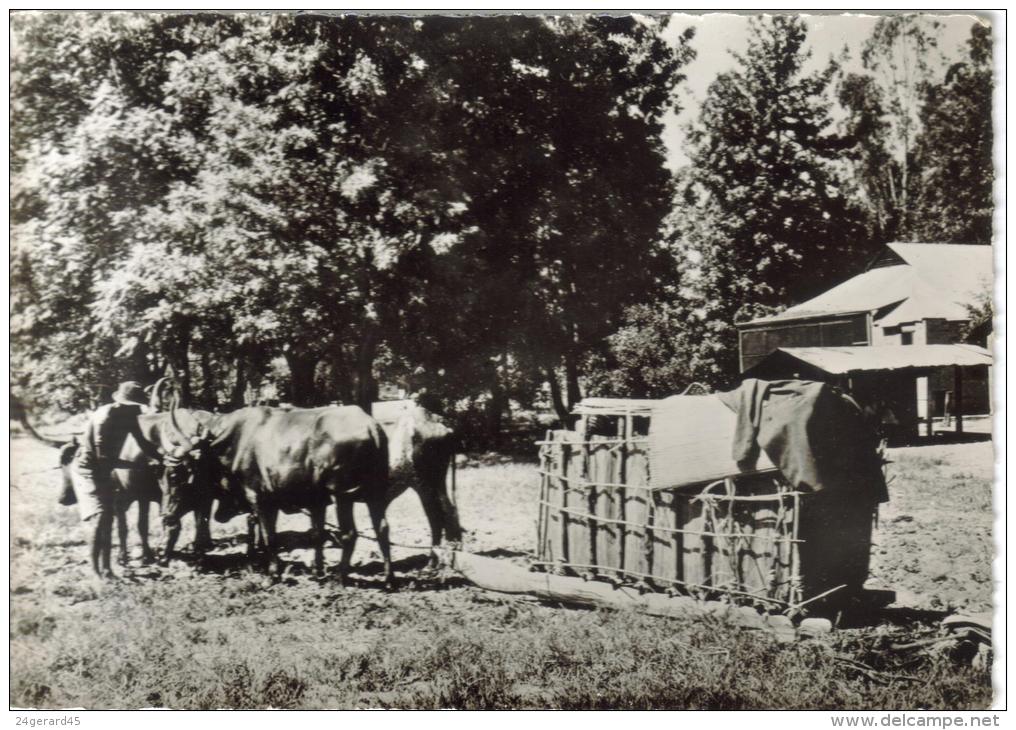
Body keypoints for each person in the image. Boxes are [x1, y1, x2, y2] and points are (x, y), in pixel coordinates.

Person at [73, 381, 164, 579]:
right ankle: (98, 572)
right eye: (130, 405)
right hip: (87, 470)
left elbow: (143, 443)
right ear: (119, 402)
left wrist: (163, 458)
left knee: (108, 517)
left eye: (136, 406)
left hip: (104, 471)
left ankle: (106, 569)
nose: (133, 409)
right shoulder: (104, 418)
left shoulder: (130, 415)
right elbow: (103, 458)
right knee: (101, 517)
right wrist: (136, 466)